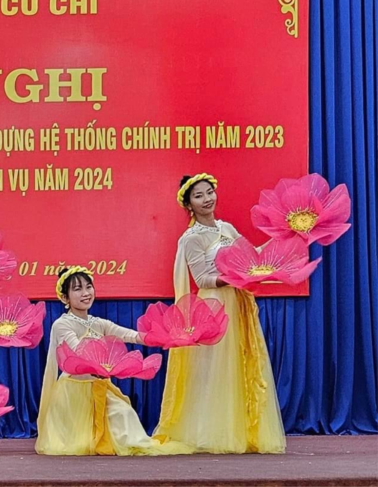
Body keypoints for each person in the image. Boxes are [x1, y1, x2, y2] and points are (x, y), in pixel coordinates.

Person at [154, 174, 286, 454]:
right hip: (214, 307)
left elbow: (251, 256)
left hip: (237, 304)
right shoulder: (191, 238)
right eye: (198, 196)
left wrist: (282, 238)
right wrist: (232, 277)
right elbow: (202, 279)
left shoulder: (226, 228)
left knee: (238, 366)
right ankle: (209, 434)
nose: (207, 199)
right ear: (188, 205)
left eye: (209, 192)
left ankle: (239, 430)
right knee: (214, 371)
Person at [36, 266, 189, 456]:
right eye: (77, 289)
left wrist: (162, 338)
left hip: (100, 386)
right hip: (74, 393)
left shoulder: (98, 323)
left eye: (88, 287)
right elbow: (78, 353)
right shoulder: (62, 324)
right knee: (83, 440)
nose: (85, 293)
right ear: (65, 298)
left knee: (125, 414)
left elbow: (129, 335)